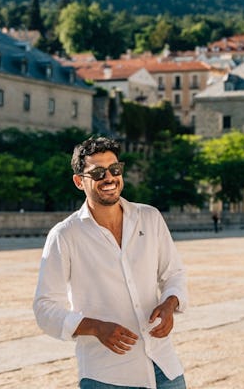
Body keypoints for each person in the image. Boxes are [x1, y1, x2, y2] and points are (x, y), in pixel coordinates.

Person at [33, 137, 189, 389]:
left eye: (115, 169)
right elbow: (44, 307)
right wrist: (94, 327)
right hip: (105, 375)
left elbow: (174, 274)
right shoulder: (65, 235)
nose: (109, 178)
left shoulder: (150, 218)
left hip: (164, 366)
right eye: (97, 172)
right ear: (78, 181)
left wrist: (171, 303)